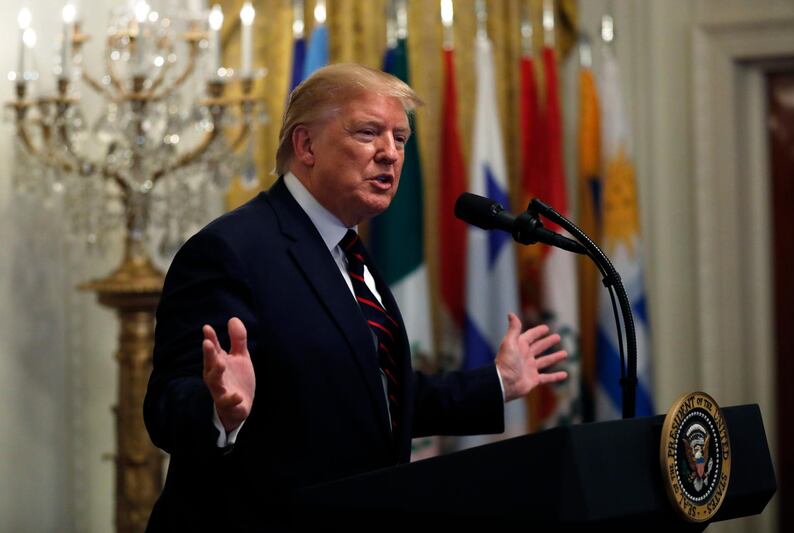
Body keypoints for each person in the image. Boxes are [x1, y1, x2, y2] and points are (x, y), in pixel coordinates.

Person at [143, 63, 568, 531]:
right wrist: (219, 410)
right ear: (306, 145)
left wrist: (495, 384)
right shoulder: (231, 250)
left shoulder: (347, 253)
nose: (390, 153)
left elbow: (369, 395)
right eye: (369, 133)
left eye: (401, 139)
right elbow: (166, 405)